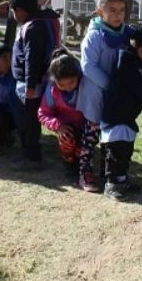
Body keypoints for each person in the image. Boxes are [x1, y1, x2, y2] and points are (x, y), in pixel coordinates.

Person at [101, 29, 142, 199]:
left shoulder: (132, 61)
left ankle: (121, 180)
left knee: (125, 151)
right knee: (116, 152)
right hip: (117, 117)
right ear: (141, 51)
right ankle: (112, 183)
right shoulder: (129, 63)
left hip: (125, 116)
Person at [76, 0, 135, 177]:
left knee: (110, 137)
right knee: (91, 137)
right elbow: (88, 66)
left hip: (115, 96)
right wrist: (111, 85)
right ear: (100, 12)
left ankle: (107, 173)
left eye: (121, 10)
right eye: (112, 10)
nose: (118, 15)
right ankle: (85, 173)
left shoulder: (126, 34)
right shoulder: (94, 36)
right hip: (96, 94)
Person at [9, 0, 60, 171]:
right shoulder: (42, 21)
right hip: (36, 82)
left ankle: (32, 157)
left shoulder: (32, 27)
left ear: (19, 11)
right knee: (30, 120)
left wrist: (30, 86)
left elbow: (33, 58)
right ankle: (29, 153)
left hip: (31, 84)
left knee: (29, 121)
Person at [37, 49, 98, 192]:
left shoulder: (86, 86)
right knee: (67, 138)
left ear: (78, 76)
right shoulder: (51, 92)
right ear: (54, 81)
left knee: (84, 146)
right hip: (67, 128)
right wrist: (58, 126)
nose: (67, 87)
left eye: (71, 82)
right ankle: (69, 164)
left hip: (86, 127)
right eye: (62, 85)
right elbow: (43, 113)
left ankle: (83, 164)